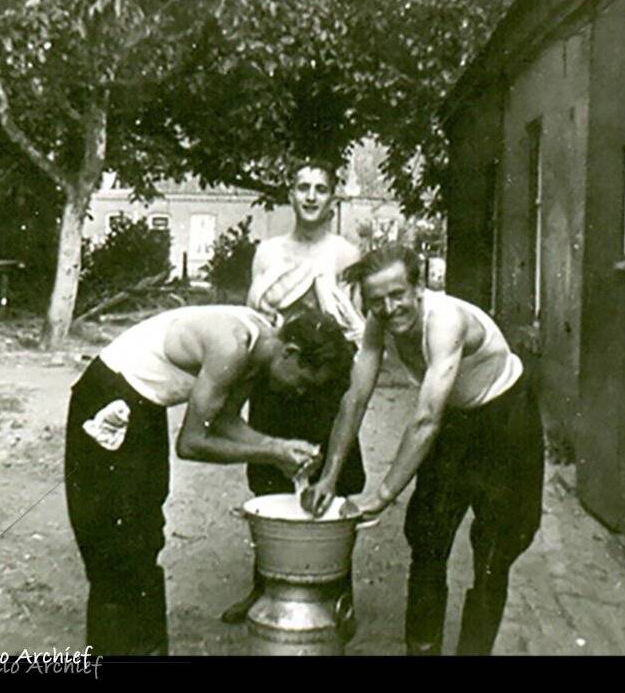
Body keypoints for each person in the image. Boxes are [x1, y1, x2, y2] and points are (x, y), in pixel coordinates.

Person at [64, 305, 354, 655]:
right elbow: (191, 443)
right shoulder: (231, 346)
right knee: (115, 544)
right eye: (303, 382)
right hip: (109, 397)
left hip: (144, 406)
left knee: (145, 533)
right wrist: (269, 453)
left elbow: (224, 420)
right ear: (289, 353)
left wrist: (278, 447)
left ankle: (148, 651)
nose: (300, 392)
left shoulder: (260, 348)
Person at [302, 244, 544, 656]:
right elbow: (354, 400)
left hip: (506, 418)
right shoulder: (379, 323)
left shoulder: (445, 320)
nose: (389, 308)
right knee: (427, 537)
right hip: (455, 418)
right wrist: (328, 476)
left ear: (419, 287)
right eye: (377, 300)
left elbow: (426, 420)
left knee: (493, 551)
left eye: (397, 294)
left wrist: (382, 495)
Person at [220, 160, 368, 624]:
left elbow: (355, 327)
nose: (310, 196)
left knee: (334, 479)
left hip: (326, 385)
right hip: (276, 382)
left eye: (320, 189)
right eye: (303, 187)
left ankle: (339, 594)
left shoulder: (344, 253)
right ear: (290, 194)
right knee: (269, 478)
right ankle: (264, 588)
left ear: (332, 198)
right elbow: (258, 319)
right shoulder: (268, 252)